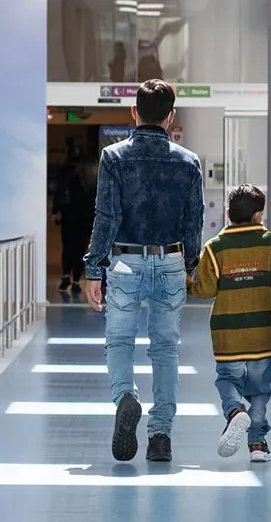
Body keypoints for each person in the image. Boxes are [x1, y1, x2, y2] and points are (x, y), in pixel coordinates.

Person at [84, 79, 204, 463]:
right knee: (166, 349)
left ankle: (126, 397)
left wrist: (93, 268)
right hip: (169, 259)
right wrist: (190, 264)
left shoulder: (114, 158)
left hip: (123, 260)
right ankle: (161, 437)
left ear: (133, 112)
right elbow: (194, 221)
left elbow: (107, 216)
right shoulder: (188, 161)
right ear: (172, 117)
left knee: (119, 341)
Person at [188, 184, 271, 462]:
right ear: (259, 216)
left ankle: (235, 411)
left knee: (227, 379)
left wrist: (188, 284)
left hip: (227, 334)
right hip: (264, 331)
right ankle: (257, 444)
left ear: (227, 213)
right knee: (260, 391)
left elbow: (206, 290)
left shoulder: (214, 248)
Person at [52, 146, 95, 293]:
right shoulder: (92, 178)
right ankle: (76, 281)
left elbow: (59, 193)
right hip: (86, 217)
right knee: (80, 249)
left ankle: (65, 277)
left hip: (69, 216)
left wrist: (56, 211)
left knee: (68, 248)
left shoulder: (67, 174)